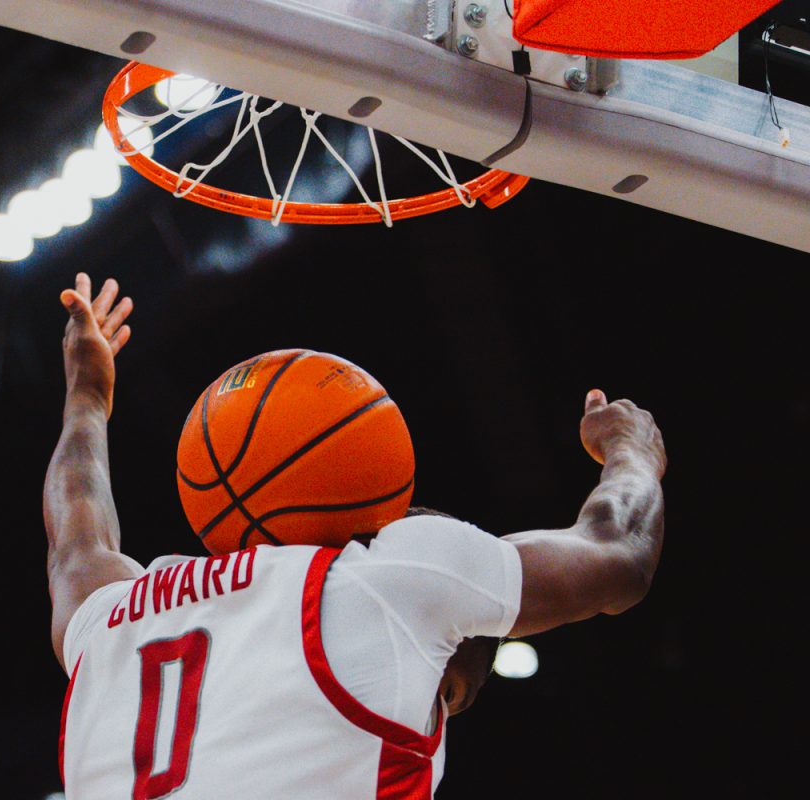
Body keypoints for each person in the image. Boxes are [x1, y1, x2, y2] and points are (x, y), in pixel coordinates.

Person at [45, 274, 666, 799]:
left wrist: (87, 394)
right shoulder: (389, 585)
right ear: (450, 687)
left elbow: (77, 530)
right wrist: (633, 452)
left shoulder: (110, 617)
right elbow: (617, 555)